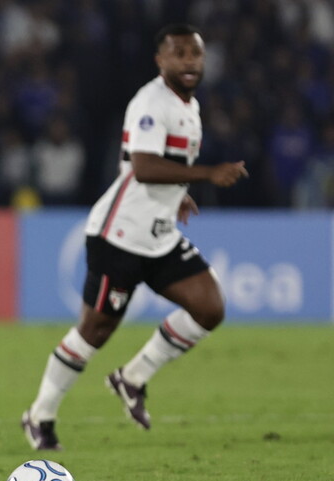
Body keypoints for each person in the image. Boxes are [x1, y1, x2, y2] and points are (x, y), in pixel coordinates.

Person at [20, 24, 248, 451]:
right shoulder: (150, 103)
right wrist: (207, 174)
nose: (189, 62)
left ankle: (133, 377)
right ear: (161, 60)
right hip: (119, 237)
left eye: (195, 54)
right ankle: (39, 415)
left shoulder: (190, 105)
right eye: (179, 53)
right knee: (94, 331)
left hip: (159, 236)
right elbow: (142, 167)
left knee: (209, 306)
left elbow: (147, 164)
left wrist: (178, 195)